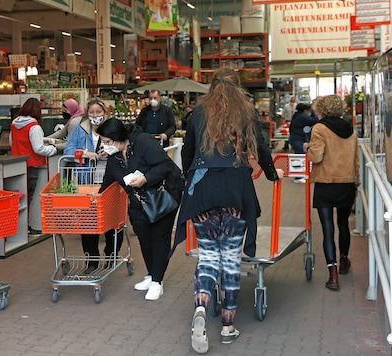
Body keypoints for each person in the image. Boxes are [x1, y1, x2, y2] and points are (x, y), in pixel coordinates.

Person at [175, 68, 283, 353]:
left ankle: (200, 309)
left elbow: (188, 150)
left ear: (212, 86)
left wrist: (190, 177)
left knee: (208, 255)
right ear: (238, 87)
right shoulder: (246, 111)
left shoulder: (198, 113)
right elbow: (260, 148)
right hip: (236, 187)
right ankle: (227, 327)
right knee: (231, 260)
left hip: (202, 189)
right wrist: (272, 174)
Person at [96, 118, 184, 301]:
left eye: (108, 142)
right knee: (144, 236)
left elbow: (165, 165)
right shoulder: (115, 157)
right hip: (138, 200)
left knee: (159, 237)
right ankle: (152, 275)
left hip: (162, 195)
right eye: (103, 142)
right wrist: (97, 198)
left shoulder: (143, 142)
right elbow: (108, 179)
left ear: (118, 137)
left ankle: (157, 282)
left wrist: (146, 178)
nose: (106, 146)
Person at [303, 95, 360, 291]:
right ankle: (344, 260)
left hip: (325, 183)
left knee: (328, 229)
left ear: (322, 109)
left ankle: (332, 274)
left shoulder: (319, 128)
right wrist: (356, 183)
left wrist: (308, 149)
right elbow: (355, 159)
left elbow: (316, 157)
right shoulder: (351, 130)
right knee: (343, 224)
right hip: (346, 182)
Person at [64, 98, 123, 274]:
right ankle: (92, 260)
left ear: (105, 113)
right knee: (88, 222)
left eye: (99, 113)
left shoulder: (113, 129)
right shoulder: (80, 130)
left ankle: (111, 255)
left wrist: (112, 149)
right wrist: (83, 153)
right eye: (92, 113)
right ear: (87, 114)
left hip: (110, 182)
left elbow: (125, 147)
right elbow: (68, 151)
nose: (95, 116)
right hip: (87, 183)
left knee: (113, 221)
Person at [9, 97, 57, 236]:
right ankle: (27, 228)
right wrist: (52, 149)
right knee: (29, 198)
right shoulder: (34, 127)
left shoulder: (14, 124)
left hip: (16, 164)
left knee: (19, 199)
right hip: (32, 164)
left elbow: (12, 143)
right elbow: (38, 149)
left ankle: (18, 228)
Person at [289, 103, 319, 184]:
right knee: (300, 157)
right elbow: (315, 121)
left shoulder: (296, 116)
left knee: (298, 157)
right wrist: (313, 112)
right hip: (298, 139)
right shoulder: (302, 117)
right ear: (305, 110)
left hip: (295, 138)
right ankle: (298, 177)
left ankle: (298, 175)